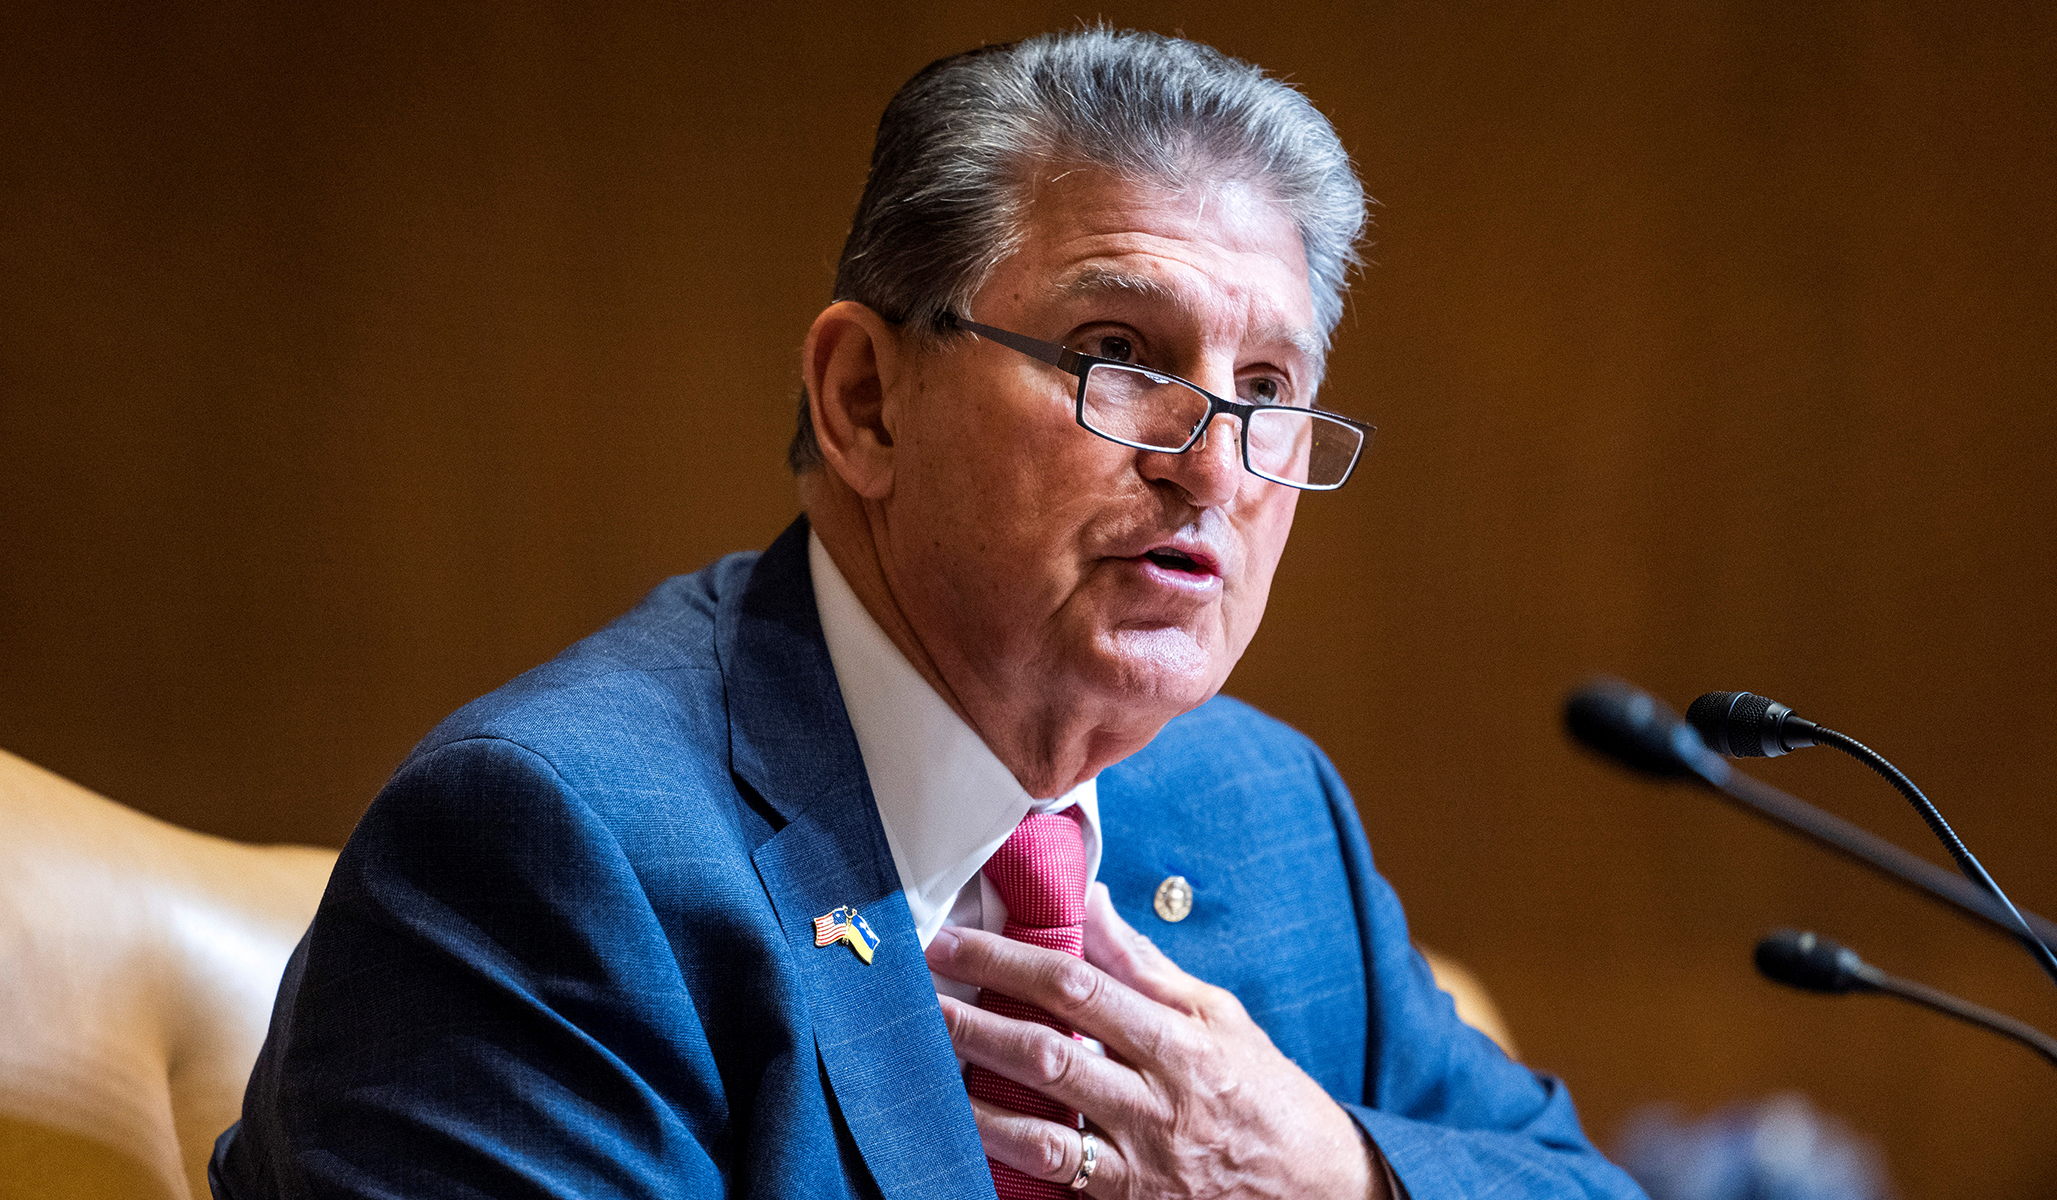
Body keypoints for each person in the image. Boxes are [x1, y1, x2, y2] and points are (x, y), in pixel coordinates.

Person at [212, 28, 1644, 1200]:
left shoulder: (1262, 810)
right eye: (1117, 353)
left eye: (1267, 391)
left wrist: (1327, 1175)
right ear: (865, 402)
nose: (1215, 465)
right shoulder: (554, 846)